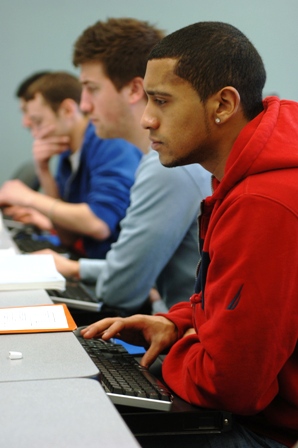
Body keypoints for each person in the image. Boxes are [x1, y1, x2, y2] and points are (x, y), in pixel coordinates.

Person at [80, 21, 298, 448]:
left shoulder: (263, 201)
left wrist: (177, 349)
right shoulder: (241, 177)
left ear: (223, 104)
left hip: (269, 433)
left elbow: (234, 387)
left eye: (161, 101)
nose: (146, 119)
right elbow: (227, 303)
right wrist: (175, 323)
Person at [37, 18, 211, 316]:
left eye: (91, 89)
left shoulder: (166, 167)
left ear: (133, 90)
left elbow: (120, 292)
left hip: (181, 343)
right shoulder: (162, 160)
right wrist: (76, 268)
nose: (85, 105)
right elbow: (127, 270)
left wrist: (81, 270)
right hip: (173, 322)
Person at [0, 71, 142, 259]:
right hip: (89, 261)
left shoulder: (109, 142)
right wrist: (44, 172)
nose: (35, 134)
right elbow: (66, 236)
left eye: (38, 122)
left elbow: (99, 224)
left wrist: (28, 198)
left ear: (67, 110)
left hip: (111, 269)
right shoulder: (67, 152)